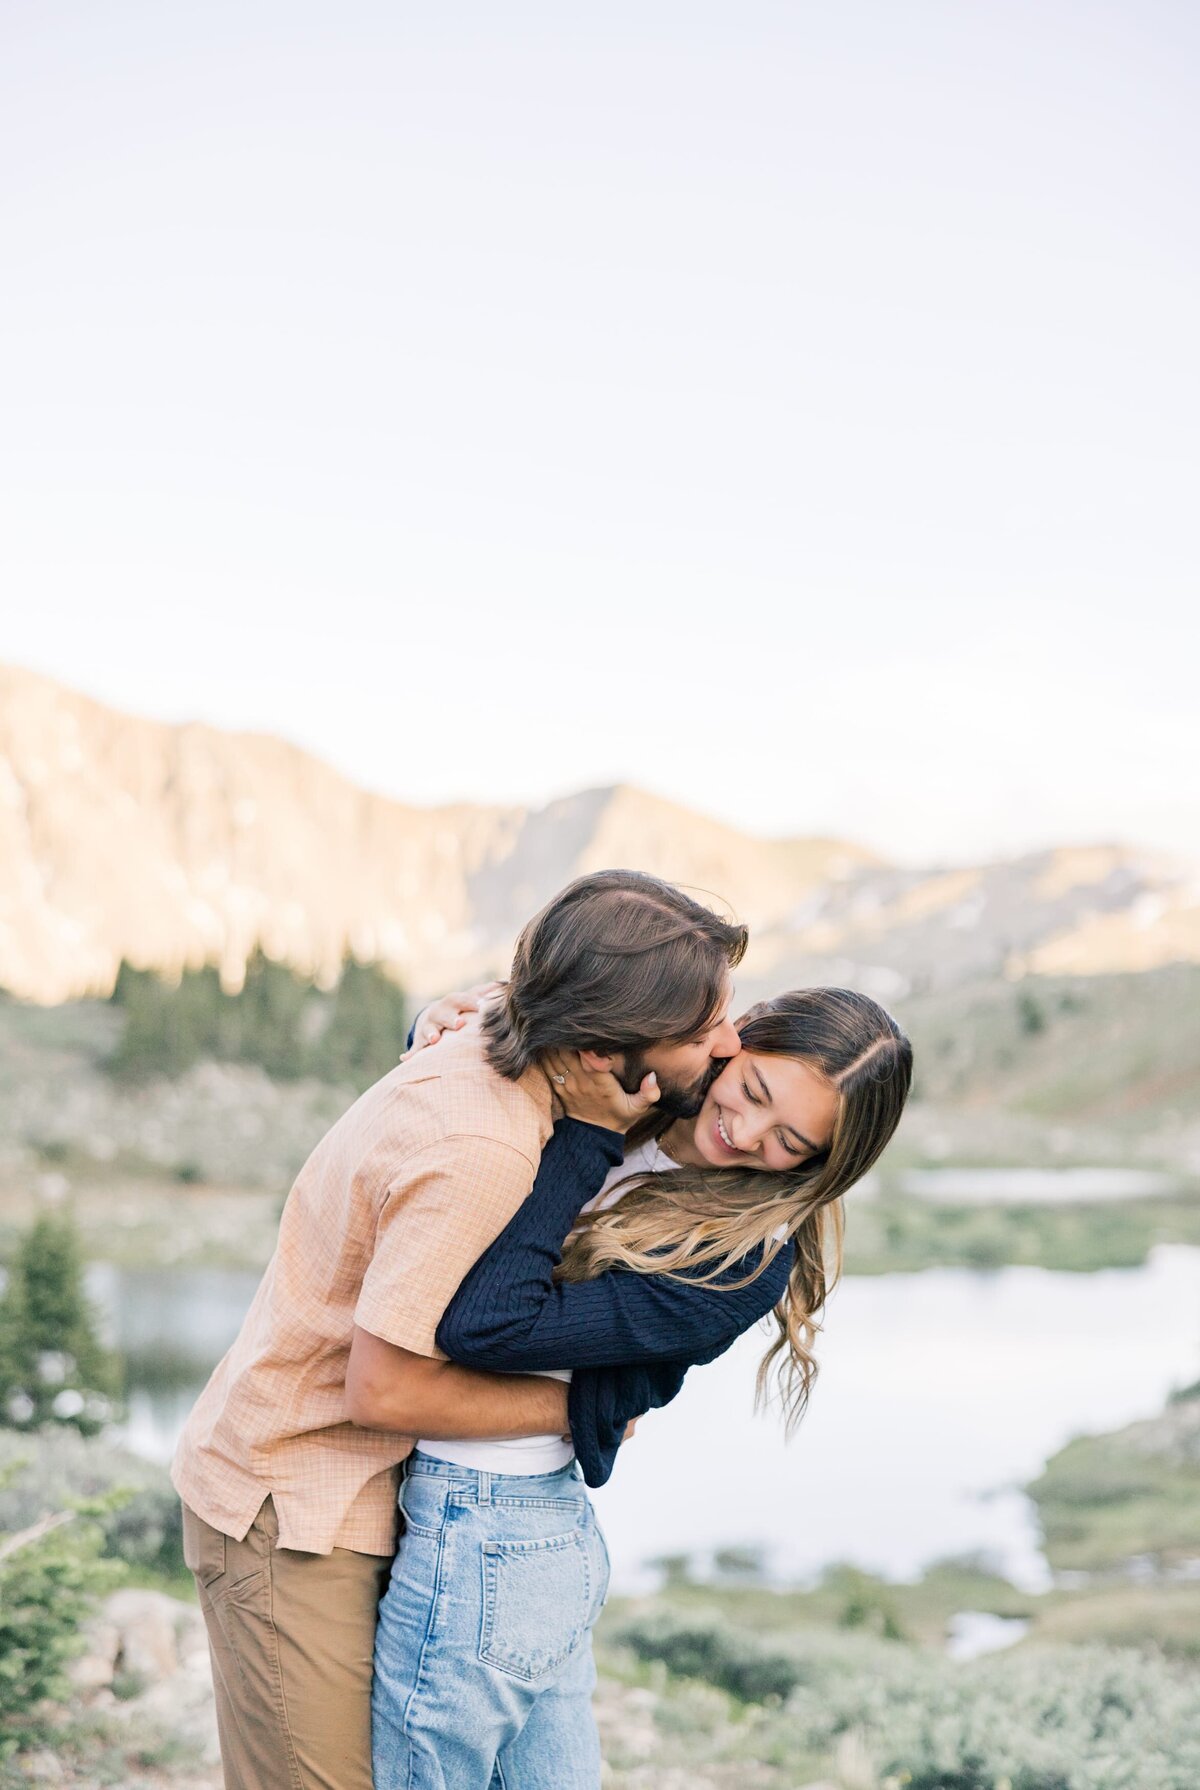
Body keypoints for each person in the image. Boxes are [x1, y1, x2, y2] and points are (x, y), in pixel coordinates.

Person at [170, 869, 748, 1790]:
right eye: (699, 1031)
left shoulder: (502, 1049)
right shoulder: (487, 1147)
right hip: (295, 1504)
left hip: (354, 1490)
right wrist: (585, 1412)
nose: (727, 1044)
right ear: (601, 1054)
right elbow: (386, 1390)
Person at [365, 985, 912, 1790]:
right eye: (754, 1090)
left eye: (790, 1141)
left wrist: (589, 1133)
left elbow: (486, 1326)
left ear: (823, 1165)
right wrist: (434, 1030)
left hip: (491, 1528)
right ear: (736, 1037)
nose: (746, 1133)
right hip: (521, 1538)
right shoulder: (642, 1077)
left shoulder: (743, 1264)